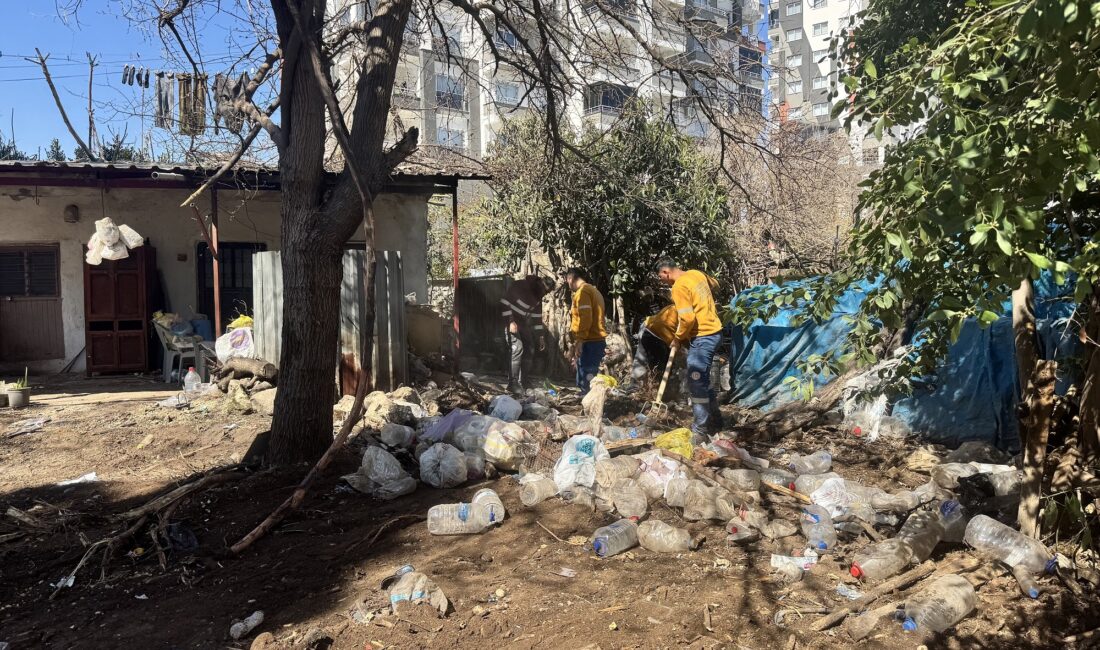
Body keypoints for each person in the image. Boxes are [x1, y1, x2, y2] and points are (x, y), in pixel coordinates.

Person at [655, 260, 724, 436]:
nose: (664, 282)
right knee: (703, 379)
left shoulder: (679, 287)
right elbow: (715, 284)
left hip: (703, 337)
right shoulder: (696, 274)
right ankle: (716, 420)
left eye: (662, 278)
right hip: (715, 332)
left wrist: (677, 339)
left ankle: (700, 430)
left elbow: (687, 319)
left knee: (696, 380)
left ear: (665, 272)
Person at [500, 274, 554, 395]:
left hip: (522, 324)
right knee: (517, 347)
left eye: (547, 292)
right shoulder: (520, 286)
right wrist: (510, 322)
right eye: (545, 290)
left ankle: (523, 380)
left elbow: (537, 319)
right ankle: (512, 383)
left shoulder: (538, 298)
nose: (544, 294)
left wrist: (540, 337)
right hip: (509, 321)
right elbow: (504, 302)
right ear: (540, 283)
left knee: (529, 347)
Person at [565, 267, 607, 395]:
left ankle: (587, 401)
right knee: (586, 372)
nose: (568, 285)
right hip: (593, 339)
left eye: (567, 281)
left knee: (587, 374)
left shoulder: (583, 292)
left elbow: (585, 318)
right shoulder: (592, 290)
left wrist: (580, 340)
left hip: (591, 340)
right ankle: (585, 397)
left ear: (571, 279)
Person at [623, 304, 678, 394]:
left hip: (647, 329)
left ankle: (636, 386)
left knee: (641, 358)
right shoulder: (686, 313)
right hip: (657, 335)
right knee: (658, 366)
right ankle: (655, 391)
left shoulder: (673, 307)